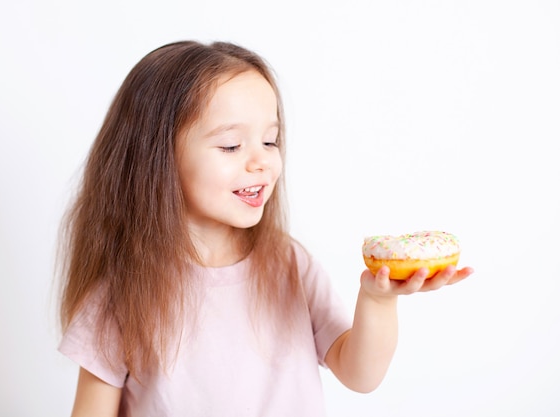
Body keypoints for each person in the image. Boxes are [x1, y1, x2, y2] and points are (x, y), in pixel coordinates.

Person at [56, 40, 474, 417]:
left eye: (270, 141)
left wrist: (378, 300)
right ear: (157, 158)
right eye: (231, 146)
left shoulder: (288, 263)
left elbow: (360, 375)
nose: (261, 161)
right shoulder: (123, 293)